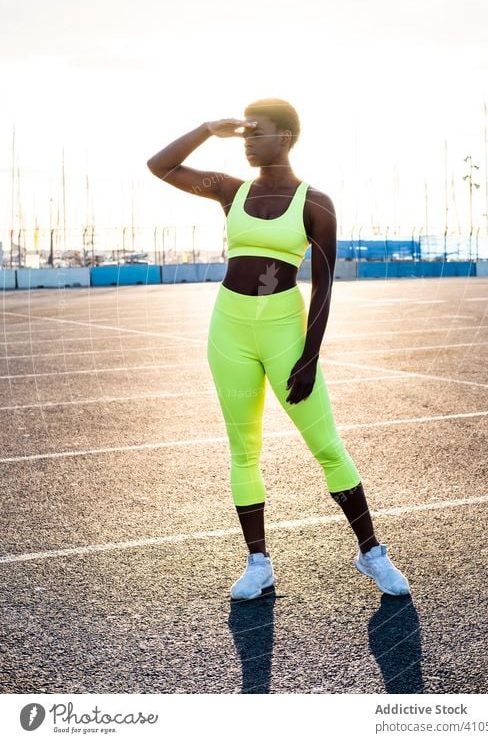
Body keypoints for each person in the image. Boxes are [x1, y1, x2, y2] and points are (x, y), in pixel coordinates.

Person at [147, 98, 410, 601]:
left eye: (256, 132)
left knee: (328, 447)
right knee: (243, 451)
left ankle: (371, 553)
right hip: (229, 333)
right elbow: (161, 167)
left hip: (286, 335)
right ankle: (258, 563)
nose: (246, 141)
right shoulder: (228, 190)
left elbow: (325, 285)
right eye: (243, 134)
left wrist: (309, 357)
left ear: (286, 138)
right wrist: (207, 128)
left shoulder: (316, 203)